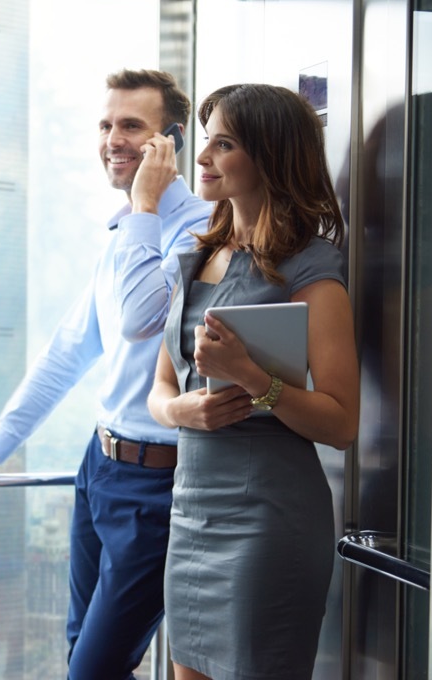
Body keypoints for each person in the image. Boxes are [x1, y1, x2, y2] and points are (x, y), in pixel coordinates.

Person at [0, 68, 212, 679]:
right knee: (81, 659)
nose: (113, 139)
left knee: (93, 669)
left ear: (167, 143)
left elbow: (143, 319)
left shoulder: (198, 231)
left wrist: (144, 204)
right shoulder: (123, 235)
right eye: (106, 124)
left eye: (132, 126)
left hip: (157, 486)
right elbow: (68, 351)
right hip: (100, 468)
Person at [147, 83, 360, 680]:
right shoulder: (192, 257)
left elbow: (342, 423)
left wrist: (248, 376)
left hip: (268, 520)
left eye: (224, 144)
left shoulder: (309, 266)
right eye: (206, 142)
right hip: (190, 514)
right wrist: (181, 413)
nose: (202, 158)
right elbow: (159, 391)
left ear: (268, 155)